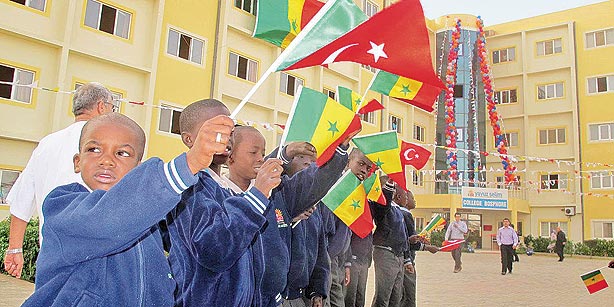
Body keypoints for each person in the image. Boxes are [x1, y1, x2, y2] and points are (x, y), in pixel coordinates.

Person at [22, 112, 232, 306]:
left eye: (122, 153)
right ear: (78, 162)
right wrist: (190, 162)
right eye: (94, 149)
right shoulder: (62, 205)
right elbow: (107, 220)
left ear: (137, 167)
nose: (106, 160)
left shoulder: (147, 218)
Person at [164, 99, 282, 306]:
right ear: (188, 139)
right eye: (215, 127)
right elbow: (215, 251)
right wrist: (258, 194)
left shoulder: (222, 187)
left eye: (229, 129)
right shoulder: (190, 188)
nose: (226, 137)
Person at [226, 125, 351, 307]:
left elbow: (315, 180)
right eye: (253, 152)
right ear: (230, 156)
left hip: (279, 299)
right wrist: (283, 154)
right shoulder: (220, 195)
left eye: (263, 153)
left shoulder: (279, 193)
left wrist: (339, 149)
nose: (260, 159)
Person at [3, 82, 115, 278]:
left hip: (50, 256)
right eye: (112, 108)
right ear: (101, 106)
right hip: (91, 257)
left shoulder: (47, 143)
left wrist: (14, 249)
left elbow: (22, 201)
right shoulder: (105, 143)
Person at [321, 149, 372, 307]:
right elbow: (321, 230)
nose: (364, 170)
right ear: (348, 161)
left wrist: (347, 263)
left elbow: (346, 234)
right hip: (322, 262)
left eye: (368, 168)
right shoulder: (333, 187)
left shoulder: (354, 193)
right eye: (361, 164)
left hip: (338, 263)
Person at [371, 176, 410, 307]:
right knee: (383, 296)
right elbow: (384, 205)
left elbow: (403, 236)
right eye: (390, 187)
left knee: (396, 296)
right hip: (386, 253)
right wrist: (389, 185)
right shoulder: (381, 205)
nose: (393, 189)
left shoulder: (397, 209)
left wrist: (407, 259)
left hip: (398, 255)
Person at [399, 189, 439, 307]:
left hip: (402, 258)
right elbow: (410, 242)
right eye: (412, 198)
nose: (414, 201)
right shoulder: (406, 214)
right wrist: (427, 247)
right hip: (407, 260)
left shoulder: (399, 213)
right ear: (405, 200)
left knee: (399, 294)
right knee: (409, 296)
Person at [345, 232, 372, 307]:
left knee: (361, 294)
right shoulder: (353, 222)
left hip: (364, 260)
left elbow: (370, 240)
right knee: (351, 294)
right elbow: (347, 241)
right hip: (353, 259)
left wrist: (368, 258)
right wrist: (348, 261)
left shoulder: (368, 224)